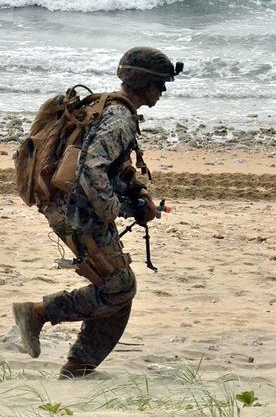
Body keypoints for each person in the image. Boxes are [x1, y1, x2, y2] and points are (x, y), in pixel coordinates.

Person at [12, 47, 181, 379]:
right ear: (145, 82)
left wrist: (137, 197)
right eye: (160, 84)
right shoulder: (120, 119)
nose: (162, 91)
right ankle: (38, 313)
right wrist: (113, 210)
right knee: (119, 286)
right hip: (76, 214)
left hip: (72, 209)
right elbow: (91, 170)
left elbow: (106, 166)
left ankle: (78, 369)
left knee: (119, 288)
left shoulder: (110, 110)